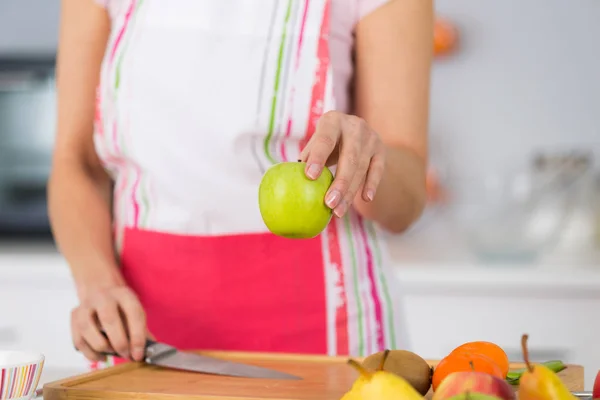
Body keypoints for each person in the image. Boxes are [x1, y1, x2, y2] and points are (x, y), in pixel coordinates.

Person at [48, 0, 432, 368]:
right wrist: (97, 284)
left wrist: (365, 159)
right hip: (141, 335)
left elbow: (408, 201)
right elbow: (75, 162)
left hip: (334, 331)